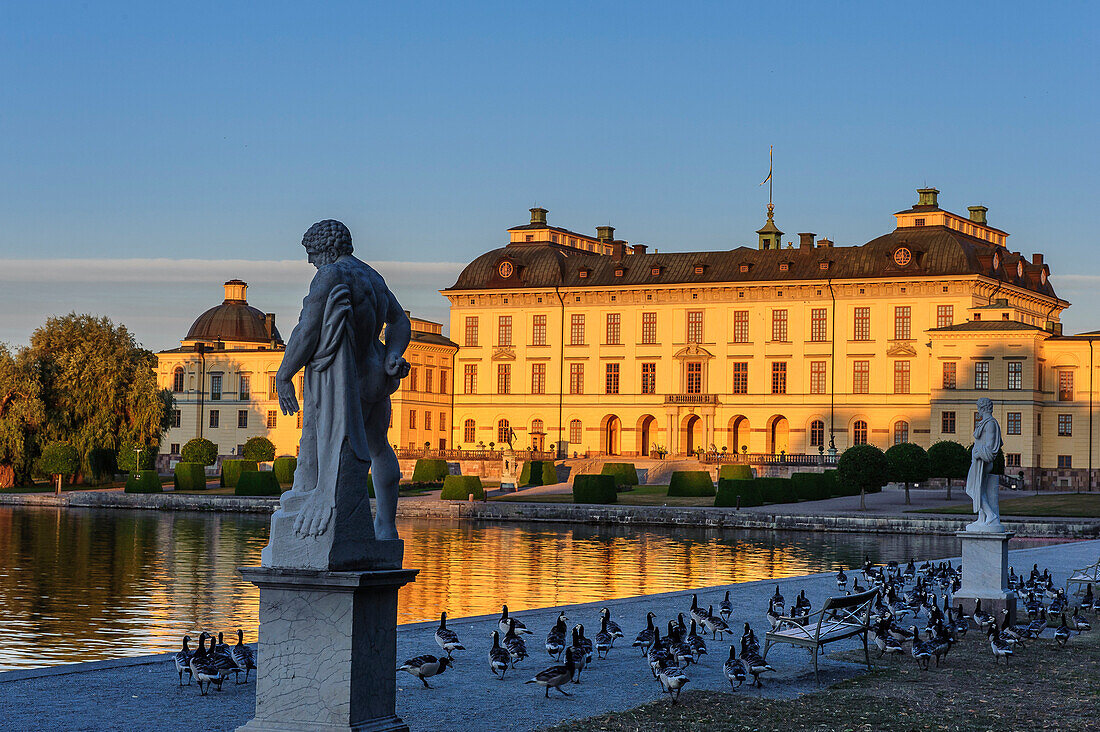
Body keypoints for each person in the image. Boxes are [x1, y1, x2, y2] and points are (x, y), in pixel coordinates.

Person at [274, 219, 410, 541]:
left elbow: (308, 329)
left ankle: (335, 516)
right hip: (378, 372)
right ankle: (386, 528)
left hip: (346, 378)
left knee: (331, 445)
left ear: (329, 249)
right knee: (379, 447)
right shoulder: (372, 277)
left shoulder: (332, 274)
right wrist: (393, 354)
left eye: (312, 253)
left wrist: (283, 375)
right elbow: (400, 319)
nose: (310, 261)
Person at [965, 397, 1004, 533]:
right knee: (979, 490)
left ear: (983, 408)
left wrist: (977, 453)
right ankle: (982, 518)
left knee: (973, 489)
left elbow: (991, 448)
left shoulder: (990, 424)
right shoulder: (985, 423)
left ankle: (991, 516)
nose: (978, 411)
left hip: (982, 462)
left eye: (978, 408)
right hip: (978, 461)